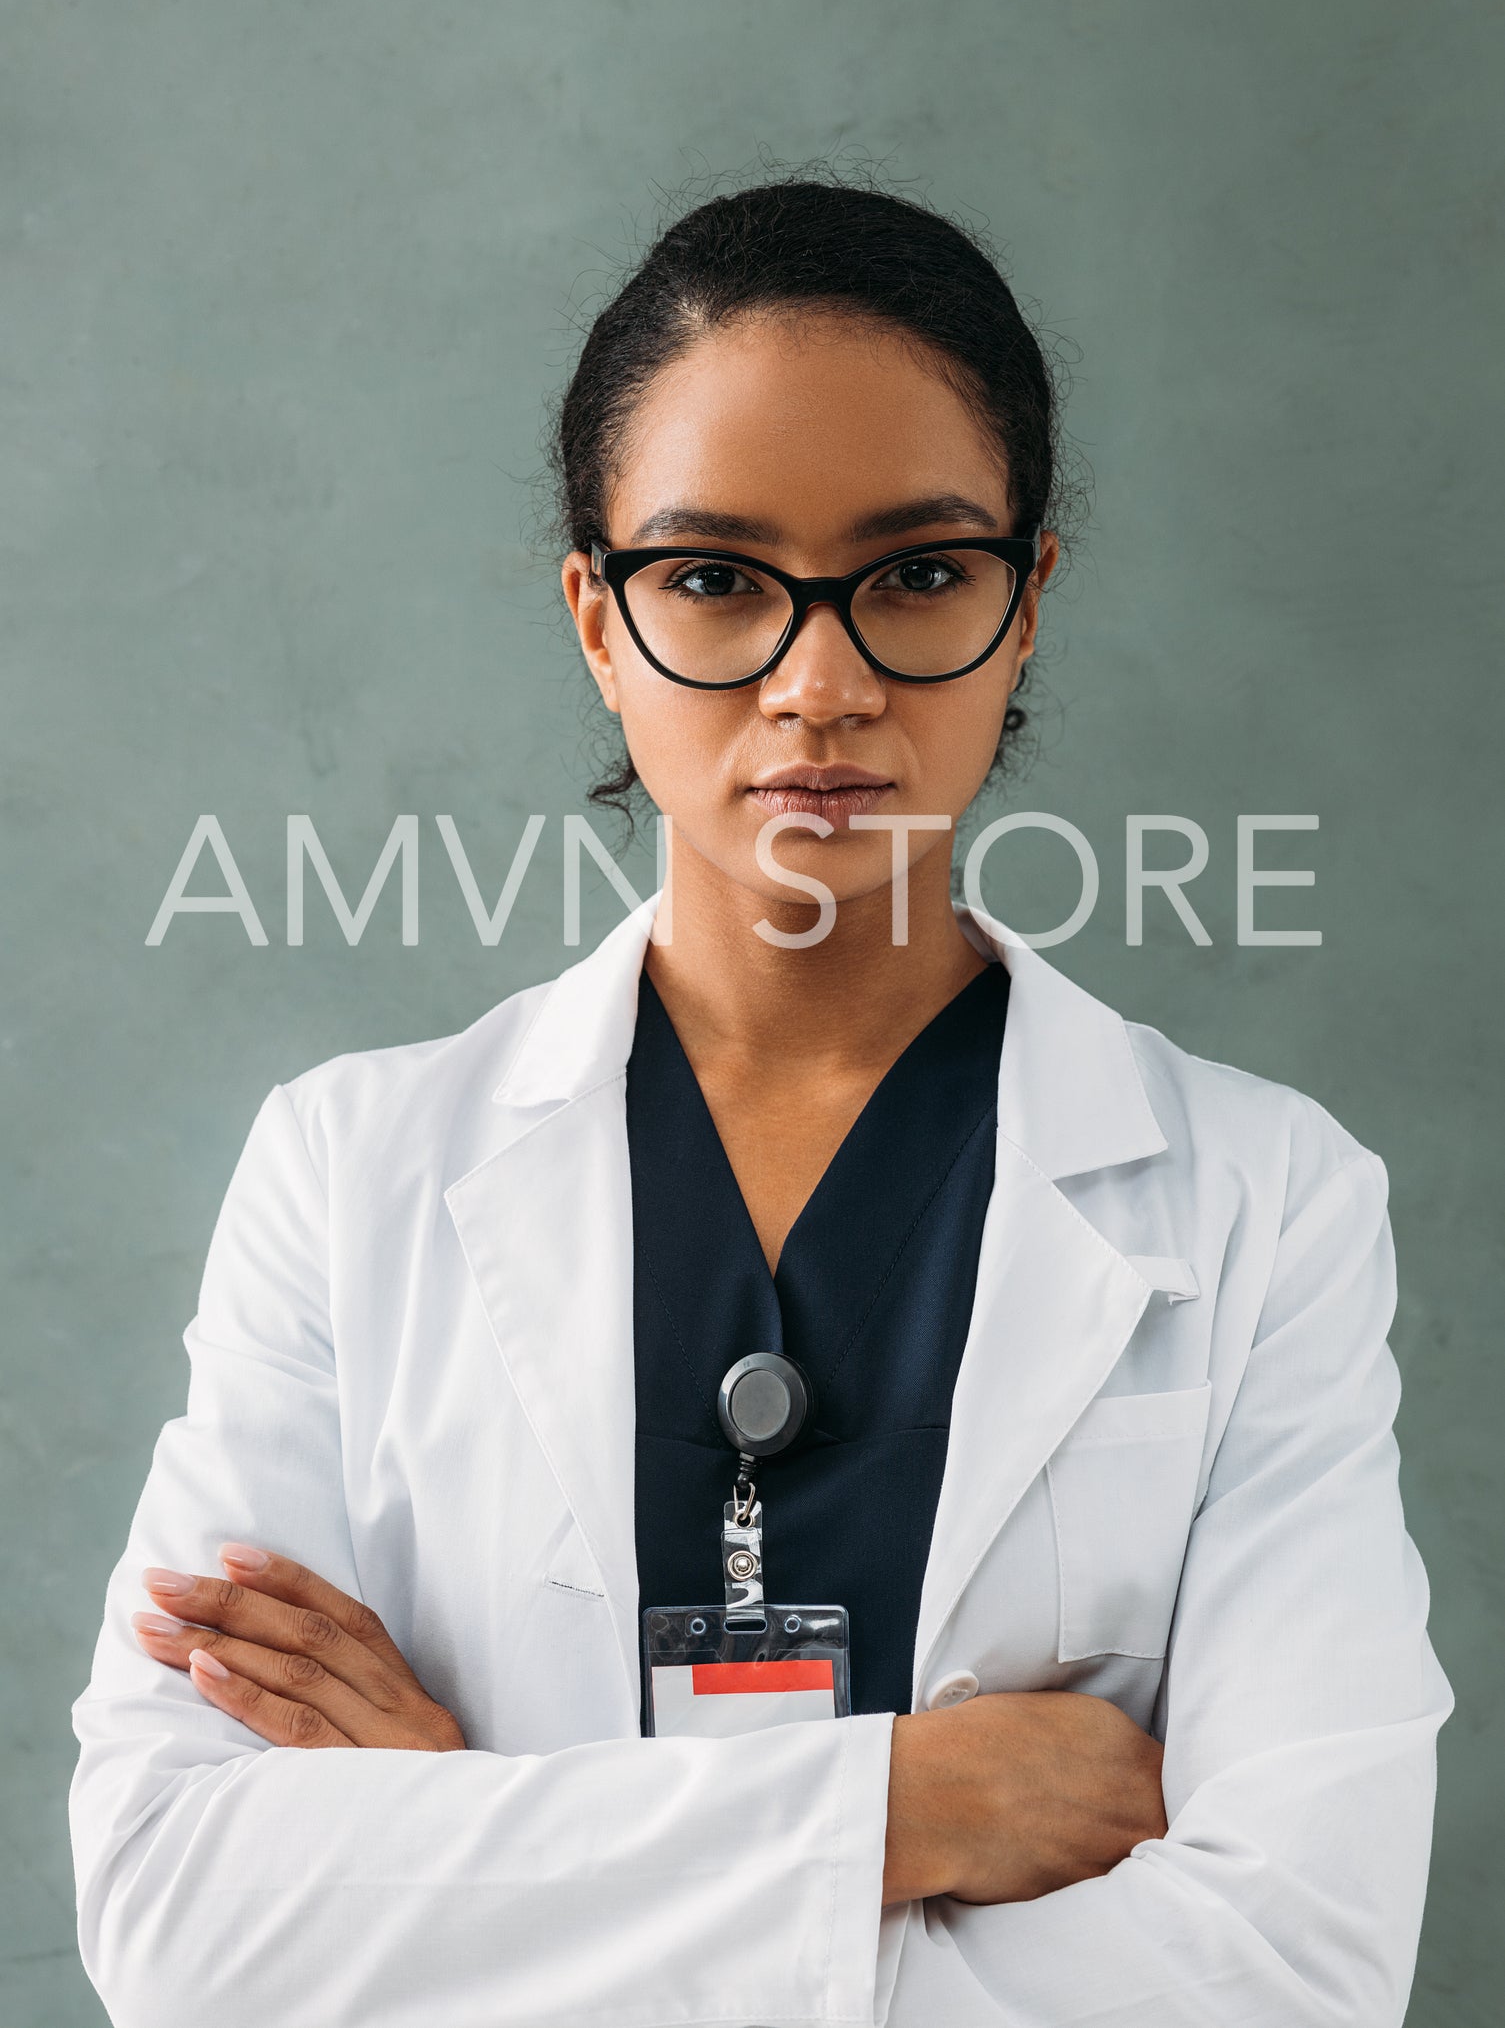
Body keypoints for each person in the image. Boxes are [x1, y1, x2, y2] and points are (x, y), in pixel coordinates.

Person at [69, 179, 1451, 2027]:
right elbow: (181, 1910)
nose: (821, 683)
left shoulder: (1264, 1201)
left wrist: (464, 1836)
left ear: (1025, 603)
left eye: (917, 575)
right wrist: (900, 1808)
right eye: (713, 579)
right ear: (593, 617)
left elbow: (1294, 1965)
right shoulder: (350, 1173)